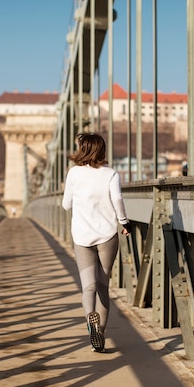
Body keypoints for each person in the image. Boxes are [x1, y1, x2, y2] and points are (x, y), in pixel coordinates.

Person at [62, 133, 131, 352]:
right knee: (103, 285)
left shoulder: (73, 174)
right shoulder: (111, 174)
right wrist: (124, 222)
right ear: (101, 150)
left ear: (82, 149)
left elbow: (66, 205)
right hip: (107, 235)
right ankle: (100, 331)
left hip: (82, 236)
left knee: (88, 286)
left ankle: (89, 324)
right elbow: (117, 200)